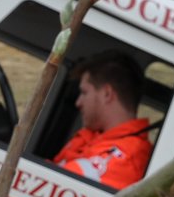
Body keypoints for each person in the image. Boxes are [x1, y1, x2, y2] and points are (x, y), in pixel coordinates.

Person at [53, 51, 152, 189]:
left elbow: (58, 187)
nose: (78, 102)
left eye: (84, 92)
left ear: (107, 94)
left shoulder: (127, 158)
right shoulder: (93, 137)